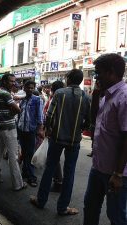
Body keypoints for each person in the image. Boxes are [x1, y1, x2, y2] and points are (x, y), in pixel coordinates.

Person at [30, 69, 90, 216]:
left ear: (68, 79)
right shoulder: (86, 97)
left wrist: (47, 129)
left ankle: (41, 200)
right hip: (74, 141)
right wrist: (78, 130)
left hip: (57, 137)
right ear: (81, 81)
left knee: (50, 168)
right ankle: (63, 207)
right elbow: (88, 122)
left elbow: (49, 115)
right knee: (69, 174)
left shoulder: (60, 93)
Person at [83, 53, 127, 225]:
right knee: (91, 207)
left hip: (116, 172)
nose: (96, 76)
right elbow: (95, 121)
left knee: (115, 216)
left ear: (111, 72)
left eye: (98, 72)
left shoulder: (123, 97)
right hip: (99, 167)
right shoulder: (107, 95)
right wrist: (96, 94)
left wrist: (117, 174)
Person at [0, 73, 27, 191]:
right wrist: (12, 114)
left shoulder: (1, 93)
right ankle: (18, 184)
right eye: (11, 81)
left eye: (14, 81)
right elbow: (18, 109)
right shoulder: (5, 94)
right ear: (4, 81)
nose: (13, 83)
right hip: (9, 128)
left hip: (1, 127)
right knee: (13, 156)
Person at [17, 80, 44, 187]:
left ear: (34, 89)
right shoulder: (23, 100)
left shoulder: (37, 100)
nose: (30, 89)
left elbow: (40, 116)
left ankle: (32, 177)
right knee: (24, 152)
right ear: (24, 88)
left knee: (30, 153)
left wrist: (39, 129)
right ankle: (25, 172)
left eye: (32, 88)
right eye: (28, 87)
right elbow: (20, 114)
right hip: (21, 129)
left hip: (31, 130)